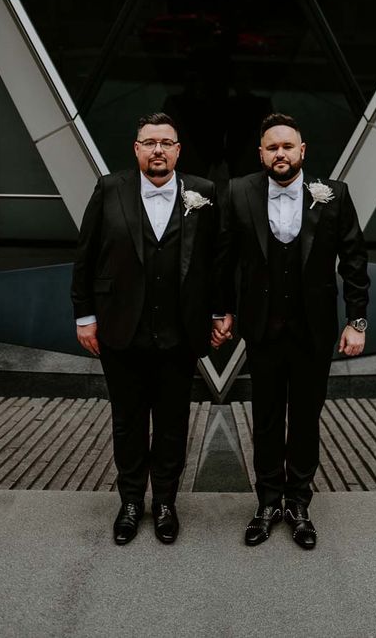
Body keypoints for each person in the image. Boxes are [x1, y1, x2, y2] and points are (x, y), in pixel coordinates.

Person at [213, 113, 370, 550]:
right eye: (271, 147)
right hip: (261, 329)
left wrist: (356, 321)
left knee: (305, 418)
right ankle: (267, 502)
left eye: (287, 146)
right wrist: (220, 311)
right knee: (264, 419)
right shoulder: (239, 191)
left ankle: (298, 503)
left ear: (302, 152)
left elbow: (354, 261)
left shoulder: (333, 195)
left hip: (313, 330)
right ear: (260, 153)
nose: (279, 154)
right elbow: (223, 258)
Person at [72, 112, 219, 545]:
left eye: (166, 142)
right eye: (149, 142)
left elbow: (215, 261)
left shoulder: (204, 193)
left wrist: (218, 311)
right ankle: (132, 502)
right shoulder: (108, 189)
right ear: (136, 149)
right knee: (127, 421)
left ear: (178, 150)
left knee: (173, 422)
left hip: (179, 333)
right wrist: (85, 317)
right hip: (121, 329)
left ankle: (167, 503)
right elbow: (86, 257)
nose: (158, 149)